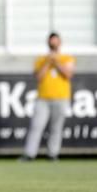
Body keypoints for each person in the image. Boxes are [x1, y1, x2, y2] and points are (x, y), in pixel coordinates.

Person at [21, 32, 75, 161]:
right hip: (43, 98)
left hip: (61, 98)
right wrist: (47, 62)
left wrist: (56, 62)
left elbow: (68, 75)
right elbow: (39, 77)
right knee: (36, 126)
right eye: (52, 41)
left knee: (56, 127)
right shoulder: (40, 59)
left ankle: (53, 154)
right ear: (48, 43)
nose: (54, 43)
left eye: (56, 41)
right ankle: (29, 154)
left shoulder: (67, 58)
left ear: (60, 43)